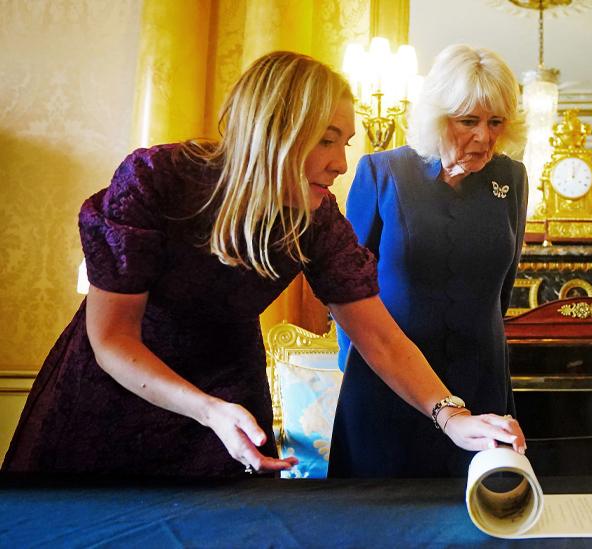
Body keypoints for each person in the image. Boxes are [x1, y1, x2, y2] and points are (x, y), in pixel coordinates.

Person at [3, 51, 525, 477]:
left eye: (345, 142)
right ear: (275, 128)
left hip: (231, 400)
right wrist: (206, 408)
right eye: (326, 139)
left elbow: (381, 338)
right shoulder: (156, 180)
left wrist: (449, 416)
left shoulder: (316, 219)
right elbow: (112, 337)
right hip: (117, 392)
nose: (341, 163)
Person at [331, 44, 527, 477]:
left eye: (496, 122)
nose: (484, 136)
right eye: (468, 121)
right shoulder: (381, 172)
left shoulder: (511, 178)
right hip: (386, 384)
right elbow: (343, 291)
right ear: (438, 116)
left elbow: (504, 284)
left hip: (482, 381)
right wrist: (359, 367)